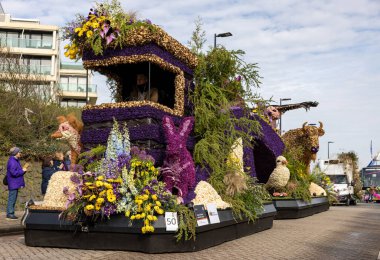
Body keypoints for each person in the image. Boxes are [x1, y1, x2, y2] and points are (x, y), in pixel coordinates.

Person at [5, 147, 29, 220]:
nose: (20, 153)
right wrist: (23, 170)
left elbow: (16, 171)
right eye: (19, 152)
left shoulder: (15, 160)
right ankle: (10, 214)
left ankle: (11, 213)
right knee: (12, 198)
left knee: (13, 198)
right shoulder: (12, 161)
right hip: (13, 183)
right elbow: (14, 173)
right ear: (15, 153)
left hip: (14, 183)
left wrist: (23, 170)